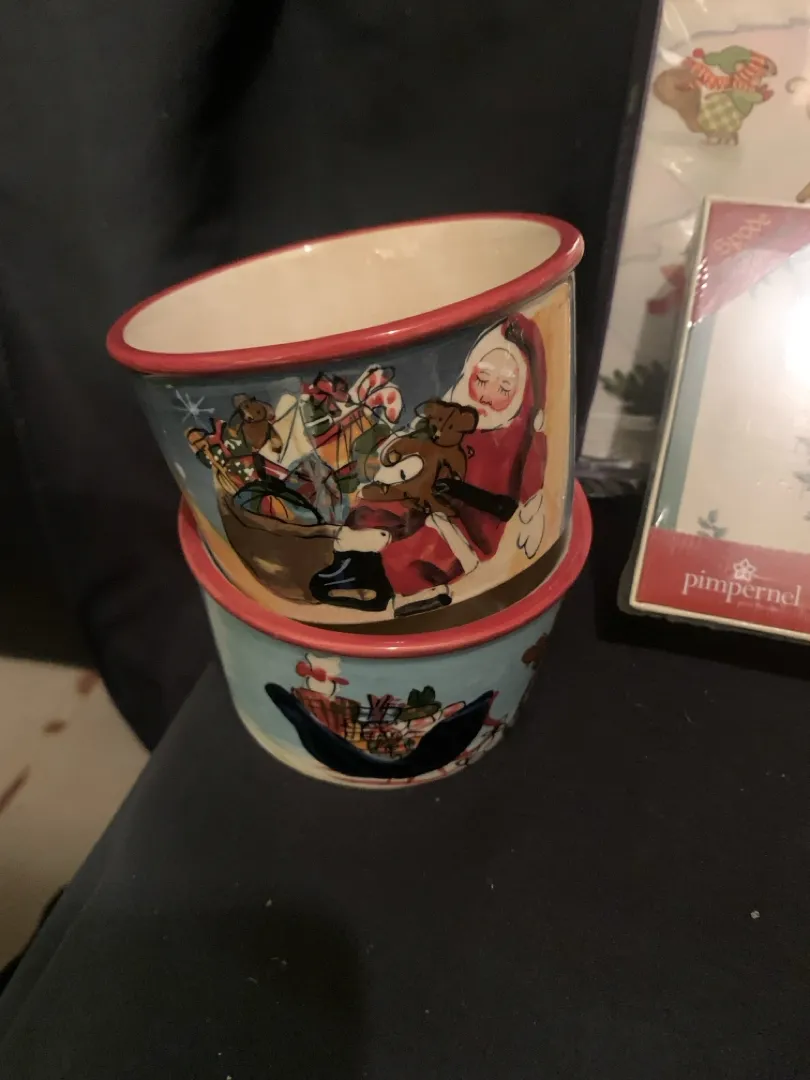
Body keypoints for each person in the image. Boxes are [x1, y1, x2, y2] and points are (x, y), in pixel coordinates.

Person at [311, 314, 548, 617]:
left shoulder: (518, 441)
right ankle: (350, 566)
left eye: (504, 389)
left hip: (469, 526)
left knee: (419, 547)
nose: (487, 396)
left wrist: (464, 492)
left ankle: (408, 590)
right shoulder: (450, 414)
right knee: (378, 506)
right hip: (425, 501)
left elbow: (515, 500)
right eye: (481, 379)